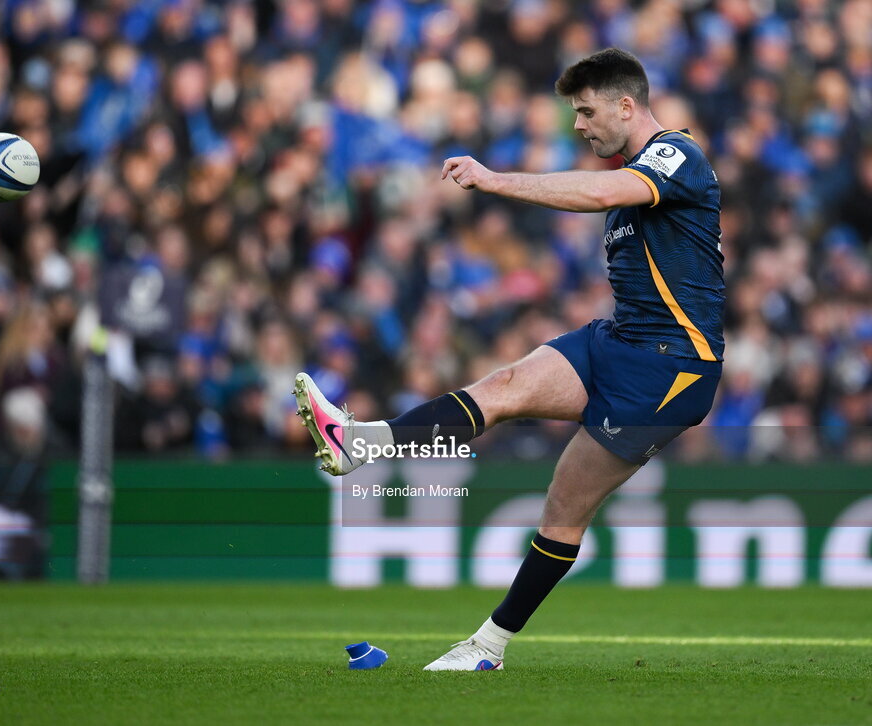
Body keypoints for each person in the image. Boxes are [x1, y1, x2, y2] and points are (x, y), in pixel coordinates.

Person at [294, 48, 724, 670]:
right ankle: (358, 443)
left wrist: (497, 179)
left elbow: (602, 192)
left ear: (627, 105)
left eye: (586, 111)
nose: (577, 125)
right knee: (506, 385)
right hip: (622, 339)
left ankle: (488, 646)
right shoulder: (638, 169)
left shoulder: (676, 155)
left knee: (564, 508)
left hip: (672, 366)